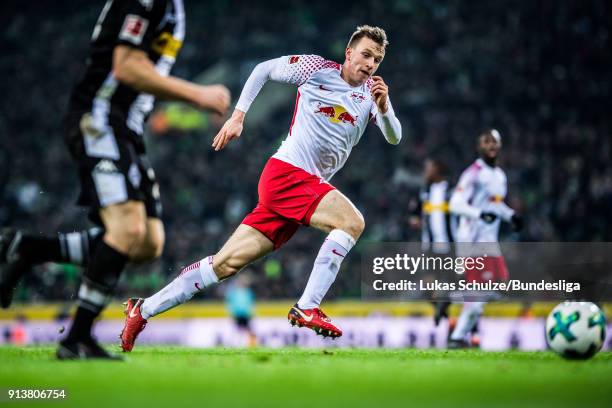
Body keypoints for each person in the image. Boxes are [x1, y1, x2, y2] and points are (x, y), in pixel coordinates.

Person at [120, 25, 402, 352]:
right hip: (287, 174)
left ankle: (143, 309)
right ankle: (308, 306)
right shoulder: (317, 69)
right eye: (366, 54)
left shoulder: (372, 94)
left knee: (223, 265)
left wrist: (383, 106)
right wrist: (237, 117)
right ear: (349, 53)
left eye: (377, 59)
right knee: (352, 222)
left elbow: (394, 136)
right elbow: (263, 70)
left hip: (303, 186)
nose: (370, 63)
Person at [0, 0, 230, 359]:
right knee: (126, 230)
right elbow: (125, 67)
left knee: (148, 242)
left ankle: (29, 249)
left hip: (126, 129)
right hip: (100, 118)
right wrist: (195, 94)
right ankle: (75, 338)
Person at [447, 129, 522, 348]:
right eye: (486, 142)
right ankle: (458, 336)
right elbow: (455, 204)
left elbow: (495, 205)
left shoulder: (499, 176)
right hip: (472, 242)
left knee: (500, 286)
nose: (491, 145)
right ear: (479, 147)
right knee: (479, 296)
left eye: (494, 142)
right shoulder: (473, 173)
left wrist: (511, 216)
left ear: (499, 145)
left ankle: (456, 299)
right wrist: (478, 214)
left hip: (490, 243)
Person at [408, 158, 455, 326]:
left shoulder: (451, 189)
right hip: (429, 245)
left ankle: (448, 313)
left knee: (452, 286)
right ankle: (443, 310)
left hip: (450, 246)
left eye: (428, 167)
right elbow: (414, 210)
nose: (425, 171)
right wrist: (414, 218)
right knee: (428, 288)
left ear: (437, 168)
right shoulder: (424, 190)